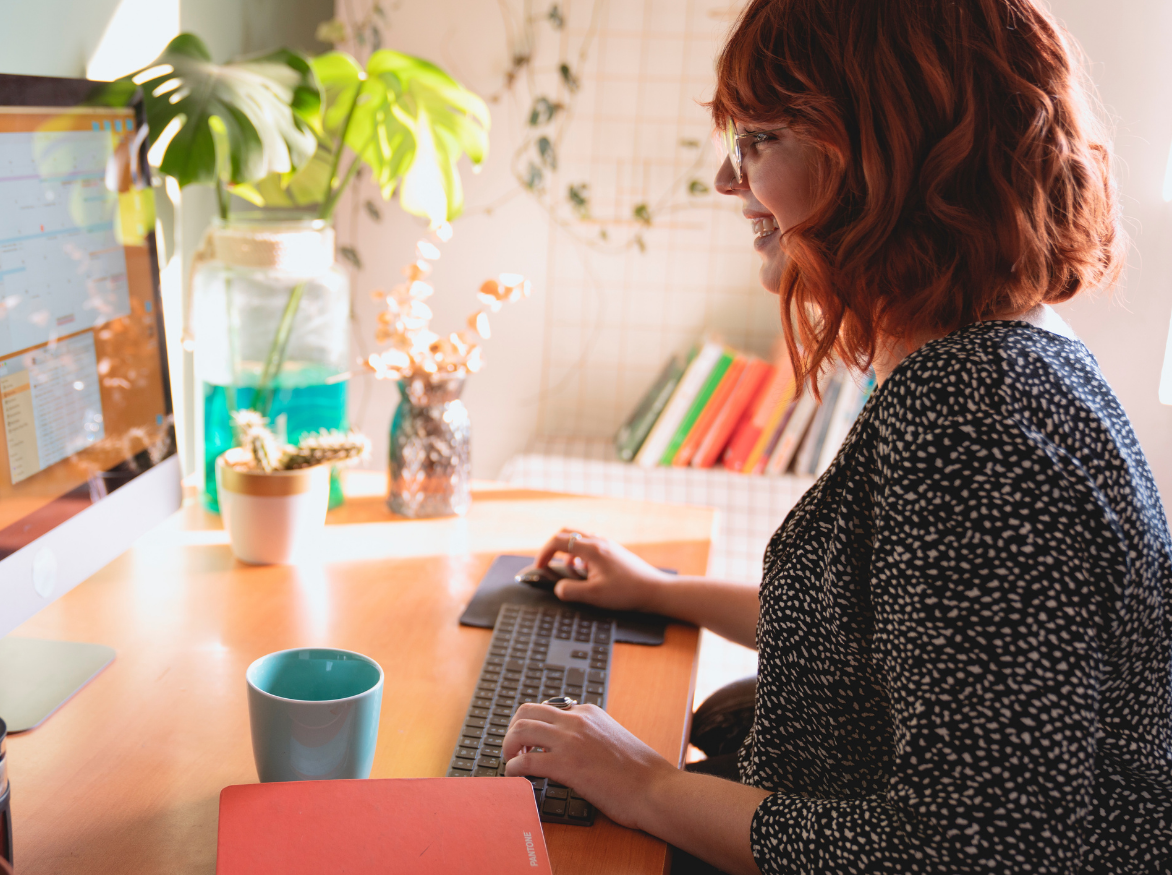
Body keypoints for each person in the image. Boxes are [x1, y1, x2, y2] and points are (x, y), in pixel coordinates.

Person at [502, 1, 1171, 873]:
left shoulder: (974, 421)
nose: (727, 179)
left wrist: (645, 783)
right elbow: (888, 633)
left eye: (759, 139)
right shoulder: (999, 355)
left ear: (884, 154)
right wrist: (660, 590)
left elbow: (966, 852)